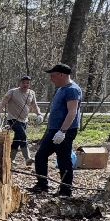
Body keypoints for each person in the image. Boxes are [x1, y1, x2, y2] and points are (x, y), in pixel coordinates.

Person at [32, 62, 83, 196]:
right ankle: (42, 185)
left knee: (63, 159)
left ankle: (66, 190)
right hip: (54, 130)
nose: (51, 79)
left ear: (62, 75)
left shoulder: (72, 89)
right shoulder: (61, 89)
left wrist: (63, 131)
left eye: (53, 76)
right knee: (40, 156)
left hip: (65, 130)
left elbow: (72, 112)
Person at [0, 75, 42, 161]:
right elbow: (2, 103)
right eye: (23, 83)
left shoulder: (31, 93)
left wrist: (39, 114)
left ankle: (10, 159)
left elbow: (35, 105)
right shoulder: (12, 92)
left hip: (24, 120)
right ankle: (27, 158)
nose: (25, 85)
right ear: (20, 83)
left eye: (27, 83)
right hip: (13, 119)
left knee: (17, 139)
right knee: (23, 135)